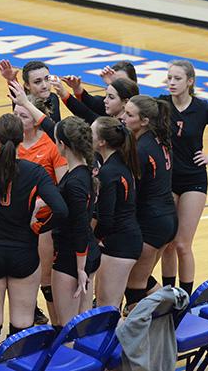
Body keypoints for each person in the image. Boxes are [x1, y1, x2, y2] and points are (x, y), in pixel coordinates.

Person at [0, 72, 68, 362]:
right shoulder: (33, 172)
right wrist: (39, 224)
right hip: (23, 253)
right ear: (20, 139)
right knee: (22, 326)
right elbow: (62, 209)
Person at [159, 60, 208, 295]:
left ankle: (186, 297)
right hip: (168, 179)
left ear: (190, 81)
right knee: (168, 244)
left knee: (183, 244)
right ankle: (168, 295)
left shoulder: (202, 108)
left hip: (194, 180)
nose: (171, 82)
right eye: (169, 77)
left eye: (177, 78)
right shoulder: (161, 104)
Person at [119, 95, 178, 309]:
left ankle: (171, 314)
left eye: (129, 115)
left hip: (151, 223)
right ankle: (173, 309)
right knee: (141, 279)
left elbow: (134, 192)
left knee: (135, 288)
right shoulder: (159, 139)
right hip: (166, 219)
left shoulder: (140, 149)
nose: (123, 118)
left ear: (144, 121)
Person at [51, 117, 101, 326]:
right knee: (82, 325)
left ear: (62, 145)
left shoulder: (75, 182)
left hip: (71, 258)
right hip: (85, 252)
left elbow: (80, 224)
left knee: (68, 328)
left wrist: (80, 269)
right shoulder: (84, 172)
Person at [91, 116, 142, 308]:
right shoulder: (121, 161)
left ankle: (128, 339)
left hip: (120, 244)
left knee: (107, 306)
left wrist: (93, 239)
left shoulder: (109, 172)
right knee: (108, 304)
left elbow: (106, 220)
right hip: (125, 239)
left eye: (92, 133)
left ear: (102, 142)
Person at [67, 61, 138, 116]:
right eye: (115, 82)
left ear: (134, 83)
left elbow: (89, 116)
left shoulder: (142, 107)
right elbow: (90, 102)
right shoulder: (107, 103)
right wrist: (76, 87)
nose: (118, 85)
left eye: (122, 82)